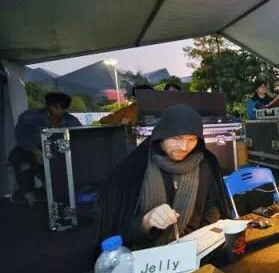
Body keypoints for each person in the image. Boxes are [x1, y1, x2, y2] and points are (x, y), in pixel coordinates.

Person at [95, 104, 231, 249]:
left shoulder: (205, 163)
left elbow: (213, 206)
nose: (184, 147)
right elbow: (115, 229)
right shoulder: (134, 168)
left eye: (192, 139)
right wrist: (146, 221)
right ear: (162, 134)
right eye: (177, 138)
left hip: (198, 247)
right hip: (146, 253)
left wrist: (204, 243)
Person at [9, 92, 81, 206]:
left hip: (58, 153)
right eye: (57, 107)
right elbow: (21, 137)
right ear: (50, 105)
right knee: (22, 162)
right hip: (30, 151)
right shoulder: (30, 116)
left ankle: (57, 198)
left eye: (64, 107)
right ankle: (29, 198)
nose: (60, 110)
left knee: (57, 179)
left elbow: (79, 136)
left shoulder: (71, 120)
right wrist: (37, 152)